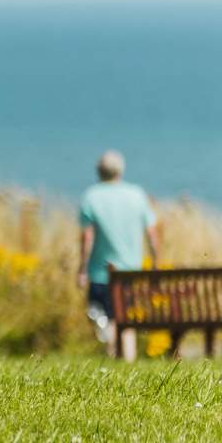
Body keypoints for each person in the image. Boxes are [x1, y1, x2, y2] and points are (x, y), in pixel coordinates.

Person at [77, 149, 160, 358]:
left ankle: (114, 356)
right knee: (124, 319)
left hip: (100, 273)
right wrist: (155, 264)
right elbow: (152, 234)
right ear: (120, 170)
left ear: (99, 171)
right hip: (130, 271)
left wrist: (82, 269)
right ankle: (128, 361)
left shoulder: (91, 196)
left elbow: (87, 238)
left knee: (106, 317)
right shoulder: (137, 194)